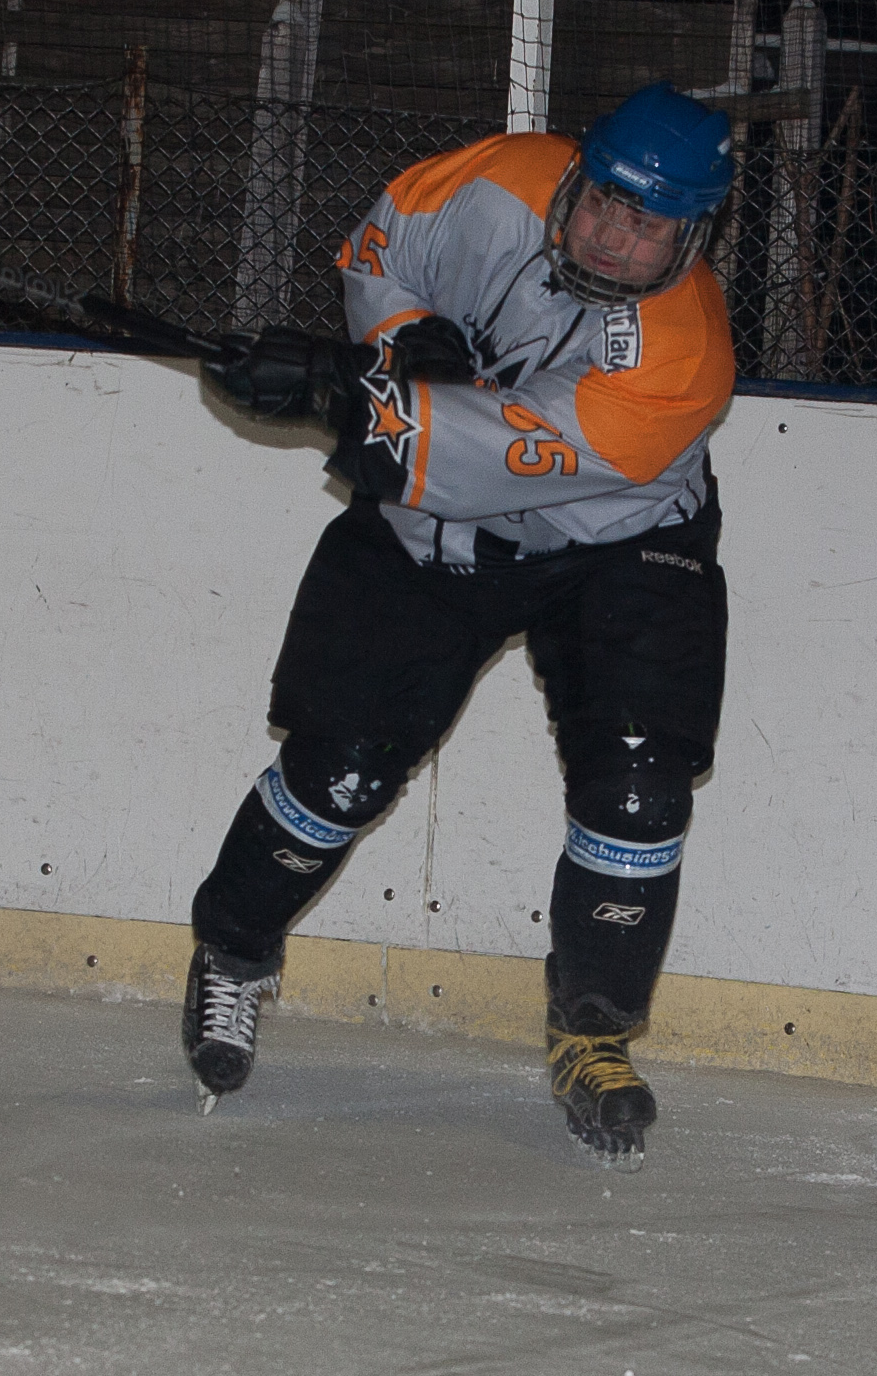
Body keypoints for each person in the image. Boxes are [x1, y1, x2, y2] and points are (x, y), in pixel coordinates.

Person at [185, 82, 737, 1169]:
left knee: (638, 790)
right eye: (602, 202)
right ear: (575, 176)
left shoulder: (680, 358)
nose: (612, 235)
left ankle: (593, 1033)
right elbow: (380, 247)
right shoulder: (498, 181)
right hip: (431, 536)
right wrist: (405, 336)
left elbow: (496, 459)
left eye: (647, 225)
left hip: (617, 542)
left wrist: (338, 396)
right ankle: (233, 953)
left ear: (692, 237)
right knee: (339, 770)